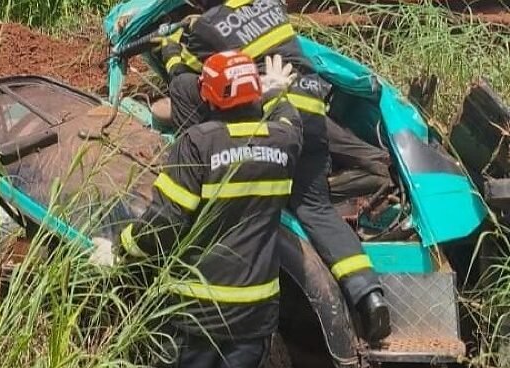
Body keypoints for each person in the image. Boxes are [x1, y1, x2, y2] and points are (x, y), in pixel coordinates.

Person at [144, 0, 391, 341]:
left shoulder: (204, 28)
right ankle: (368, 293)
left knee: (184, 85)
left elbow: (193, 73)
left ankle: (193, 156)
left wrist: (170, 47)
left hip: (270, 111)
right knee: (315, 207)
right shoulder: (270, 4)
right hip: (309, 108)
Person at [95, 50, 301, 368]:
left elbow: (165, 224)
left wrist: (120, 248)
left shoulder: (198, 144)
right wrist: (278, 94)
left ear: (208, 96)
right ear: (253, 92)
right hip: (255, 310)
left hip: (195, 308)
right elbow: (289, 119)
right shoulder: (283, 141)